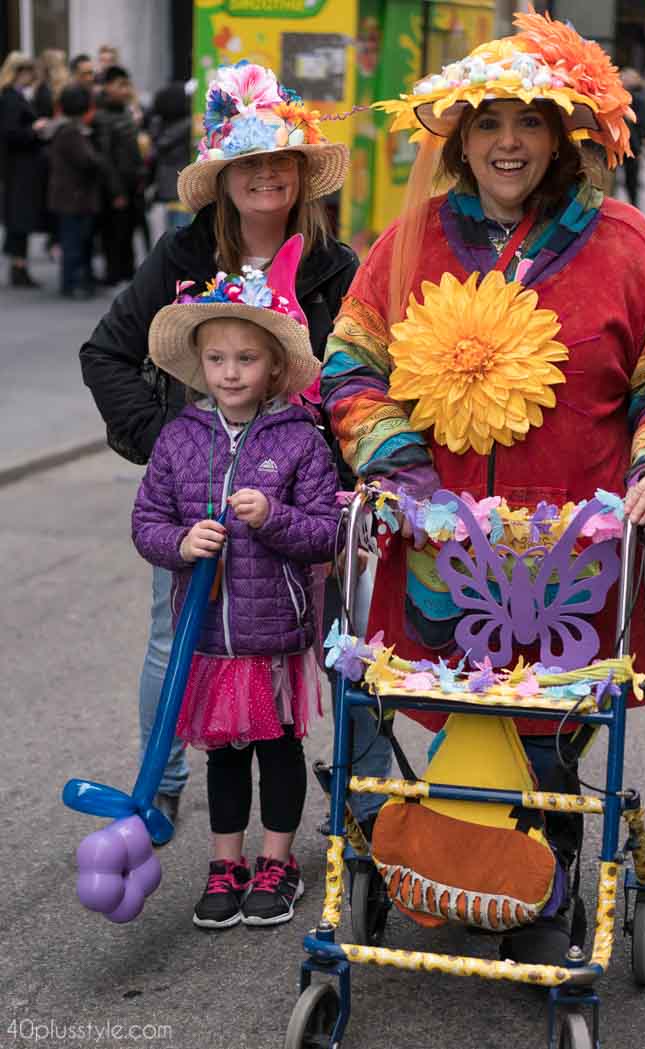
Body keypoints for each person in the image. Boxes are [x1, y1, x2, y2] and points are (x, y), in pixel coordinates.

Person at [321, 9, 645, 964]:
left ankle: (541, 889)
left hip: (577, 562)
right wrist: (399, 467)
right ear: (459, 138)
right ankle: (441, 862)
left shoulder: (621, 240)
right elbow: (349, 367)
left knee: (551, 739)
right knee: (432, 715)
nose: (506, 142)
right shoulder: (408, 242)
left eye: (527, 122)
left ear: (560, 136)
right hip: (440, 554)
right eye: (487, 122)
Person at [79, 62, 361, 835]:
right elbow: (104, 354)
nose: (266, 175)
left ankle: (358, 794)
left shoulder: (337, 269)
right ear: (224, 176)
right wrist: (169, 445)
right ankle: (158, 786)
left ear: (300, 174)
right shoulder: (181, 256)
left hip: (306, 498)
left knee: (339, 642)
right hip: (203, 501)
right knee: (177, 636)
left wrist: (342, 485)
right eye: (249, 162)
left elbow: (369, 378)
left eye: (280, 161)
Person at [132, 235, 341, 928]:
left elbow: (324, 532)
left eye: (246, 359)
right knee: (224, 753)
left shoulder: (300, 439)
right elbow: (147, 522)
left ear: (276, 365)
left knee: (278, 747)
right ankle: (227, 859)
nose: (228, 372)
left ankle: (276, 861)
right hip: (210, 635)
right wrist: (182, 542)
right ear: (199, 365)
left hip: (273, 633)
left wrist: (274, 517)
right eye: (216, 359)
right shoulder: (178, 437)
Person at [48, 83, 113, 298]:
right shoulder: (72, 132)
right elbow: (87, 161)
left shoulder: (65, 130)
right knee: (74, 241)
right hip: (75, 196)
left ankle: (77, 279)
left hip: (69, 195)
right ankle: (72, 281)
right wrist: (102, 159)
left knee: (76, 239)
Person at [92, 64, 146, 285]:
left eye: (126, 85)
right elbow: (104, 157)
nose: (124, 90)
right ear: (107, 87)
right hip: (114, 185)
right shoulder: (102, 117)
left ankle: (127, 270)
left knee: (129, 229)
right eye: (119, 85)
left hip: (133, 181)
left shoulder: (126, 111)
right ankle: (113, 272)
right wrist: (115, 191)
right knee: (113, 232)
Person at [0, 52, 48, 287]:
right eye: (28, 72)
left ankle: (19, 265)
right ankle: (19, 266)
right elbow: (10, 133)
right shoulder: (10, 98)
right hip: (20, 167)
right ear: (19, 72)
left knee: (20, 217)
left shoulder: (16, 96)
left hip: (22, 166)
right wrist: (35, 129)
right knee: (20, 217)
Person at [147, 80, 192, 235]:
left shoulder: (157, 125)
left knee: (170, 231)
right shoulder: (188, 126)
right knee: (180, 229)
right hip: (181, 185)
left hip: (164, 185)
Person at [620, 68, 645, 209]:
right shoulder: (640, 94)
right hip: (631, 139)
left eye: (625, 79)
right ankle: (633, 204)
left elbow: (641, 121)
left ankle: (634, 205)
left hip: (633, 139)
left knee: (631, 177)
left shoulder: (636, 96)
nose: (622, 81)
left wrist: (640, 141)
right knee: (630, 177)